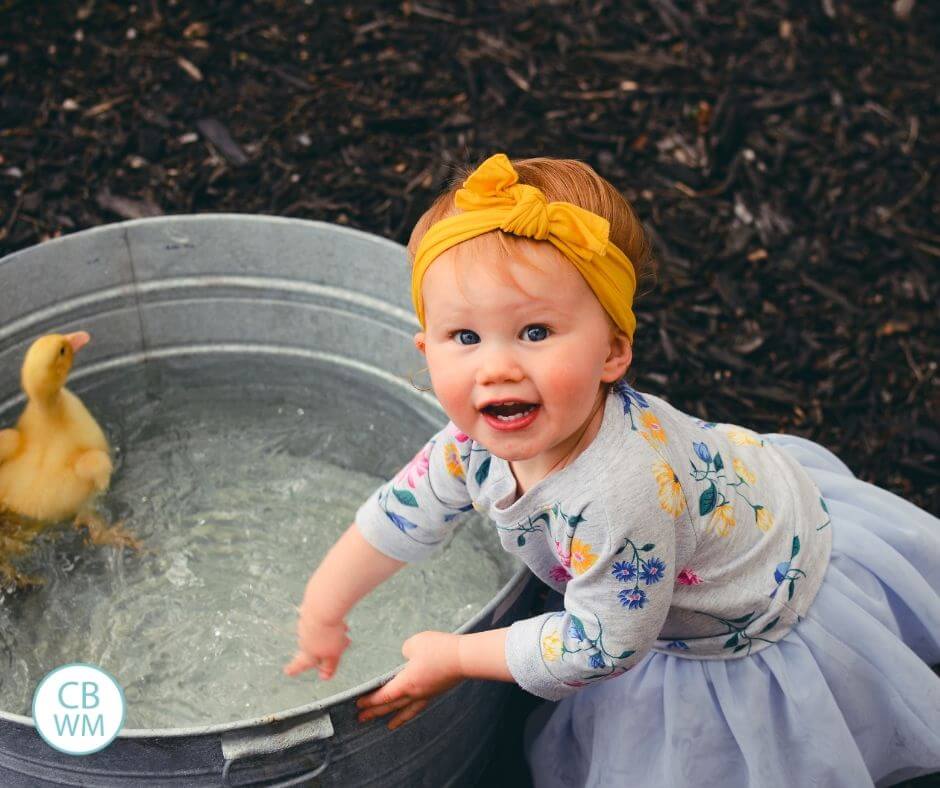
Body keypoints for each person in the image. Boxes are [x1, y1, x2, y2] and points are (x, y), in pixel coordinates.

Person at [284, 153, 940, 787]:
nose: (497, 367)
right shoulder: (470, 441)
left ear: (613, 351)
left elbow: (602, 647)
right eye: (465, 337)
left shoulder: (617, 495)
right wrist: (325, 604)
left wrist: (457, 657)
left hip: (745, 602)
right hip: (716, 512)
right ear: (425, 349)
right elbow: (402, 513)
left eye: (536, 332)